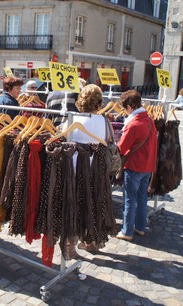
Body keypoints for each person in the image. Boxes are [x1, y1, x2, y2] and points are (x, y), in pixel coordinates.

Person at [64, 84, 111, 252]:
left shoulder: (73, 120)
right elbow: (107, 141)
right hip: (96, 170)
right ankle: (91, 241)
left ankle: (70, 246)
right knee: (94, 204)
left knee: (74, 205)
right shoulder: (104, 121)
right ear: (99, 102)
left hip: (76, 169)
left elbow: (63, 139)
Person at [116, 90, 157, 241]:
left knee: (129, 199)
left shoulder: (134, 124)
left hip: (134, 165)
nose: (125, 111)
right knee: (141, 199)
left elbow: (121, 147)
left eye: (125, 107)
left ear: (131, 106)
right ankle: (140, 227)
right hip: (147, 166)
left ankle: (127, 231)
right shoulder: (150, 120)